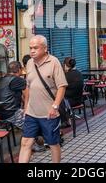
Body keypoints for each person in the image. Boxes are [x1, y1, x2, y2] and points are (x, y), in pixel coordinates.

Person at [19, 35, 68, 163]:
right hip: (31, 113)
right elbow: (28, 87)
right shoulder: (29, 63)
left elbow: (62, 86)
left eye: (35, 48)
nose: (32, 51)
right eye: (30, 48)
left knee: (53, 144)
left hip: (49, 114)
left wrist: (55, 106)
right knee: (25, 143)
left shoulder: (54, 62)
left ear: (45, 48)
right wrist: (26, 107)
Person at [0, 61, 27, 129]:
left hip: (0, 113)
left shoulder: (3, 79)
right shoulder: (17, 80)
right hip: (11, 113)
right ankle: (31, 138)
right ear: (19, 70)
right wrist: (26, 109)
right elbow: (27, 95)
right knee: (33, 123)